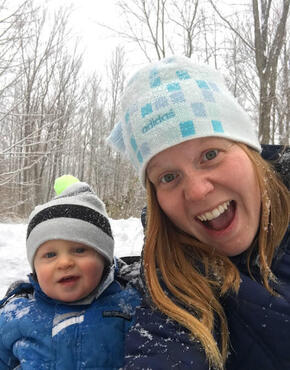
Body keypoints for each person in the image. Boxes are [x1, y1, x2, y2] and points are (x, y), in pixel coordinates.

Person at [107, 56, 290, 370]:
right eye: (168, 177)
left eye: (210, 154)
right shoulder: (174, 281)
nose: (197, 191)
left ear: (248, 149)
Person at [0, 175, 140, 369]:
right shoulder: (14, 315)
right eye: (50, 255)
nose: (65, 262)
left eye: (79, 250)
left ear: (104, 257)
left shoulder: (130, 305)